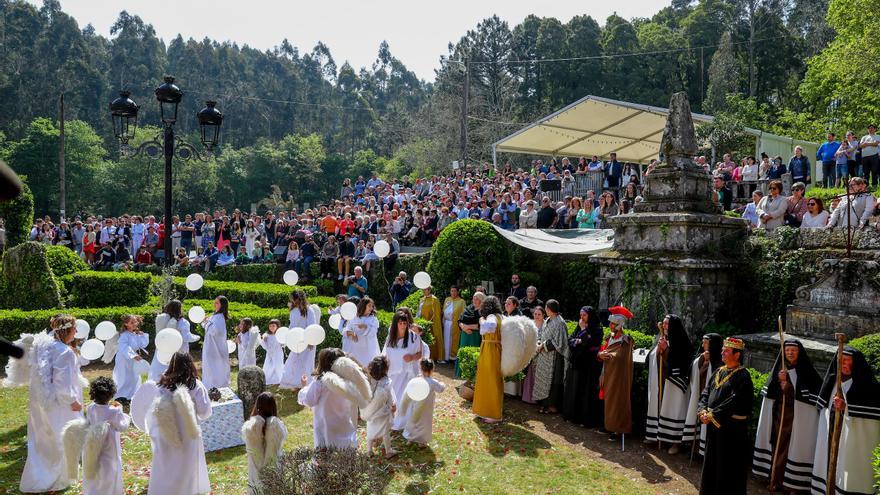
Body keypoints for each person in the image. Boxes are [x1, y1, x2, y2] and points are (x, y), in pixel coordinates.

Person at [19, 315, 84, 493]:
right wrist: (73, 401)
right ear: (67, 330)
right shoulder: (65, 352)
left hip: (42, 402)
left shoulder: (44, 347)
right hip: (60, 403)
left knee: (44, 438)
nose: (76, 332)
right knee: (62, 437)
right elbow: (63, 382)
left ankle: (40, 474)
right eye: (75, 328)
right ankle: (57, 477)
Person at [752, 339, 821, 493]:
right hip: (778, 416)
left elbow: (808, 398)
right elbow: (771, 394)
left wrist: (788, 386)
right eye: (787, 350)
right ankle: (774, 479)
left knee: (791, 448)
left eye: (793, 350)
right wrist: (779, 382)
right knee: (777, 445)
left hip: (796, 419)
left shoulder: (807, 371)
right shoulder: (780, 369)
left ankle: (792, 484)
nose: (790, 353)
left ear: (799, 352)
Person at [810, 346, 879, 495]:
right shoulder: (832, 383)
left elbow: (870, 418)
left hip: (852, 441)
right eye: (841, 361)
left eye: (848, 361)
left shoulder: (868, 387)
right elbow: (824, 410)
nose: (844, 364)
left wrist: (846, 407)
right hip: (831, 435)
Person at [146, 352, 212, 495]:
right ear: (190, 365)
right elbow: (204, 412)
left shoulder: (163, 385)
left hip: (167, 431)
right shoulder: (196, 385)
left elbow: (156, 408)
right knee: (187, 466)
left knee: (168, 463)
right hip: (188, 432)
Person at [697, 337, 754, 495]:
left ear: (737, 355)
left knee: (728, 468)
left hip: (732, 432)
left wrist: (712, 414)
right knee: (711, 465)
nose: (722, 352)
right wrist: (702, 410)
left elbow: (734, 401)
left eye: (726, 350)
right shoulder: (718, 371)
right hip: (715, 429)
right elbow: (706, 392)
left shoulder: (743, 377)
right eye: (722, 349)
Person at [62, 376, 130, 495]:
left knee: (93, 469)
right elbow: (122, 426)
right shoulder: (114, 411)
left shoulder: (90, 408)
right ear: (111, 394)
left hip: (93, 444)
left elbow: (90, 421)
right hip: (109, 448)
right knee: (109, 471)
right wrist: (121, 410)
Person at [297, 348, 371, 449]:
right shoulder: (350, 381)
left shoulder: (320, 382)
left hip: (327, 426)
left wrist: (304, 387)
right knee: (346, 449)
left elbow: (309, 399)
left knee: (327, 450)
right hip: (346, 424)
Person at [644, 315, 694, 454]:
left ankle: (675, 443)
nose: (664, 326)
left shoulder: (682, 342)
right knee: (658, 407)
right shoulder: (661, 338)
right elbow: (650, 358)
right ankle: (655, 436)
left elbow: (682, 363)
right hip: (660, 382)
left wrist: (666, 350)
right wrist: (658, 350)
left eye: (667, 324)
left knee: (674, 410)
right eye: (664, 324)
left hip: (675, 383)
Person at [383, 310, 425, 430]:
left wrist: (412, 357)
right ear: (395, 324)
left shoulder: (413, 337)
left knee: (405, 398)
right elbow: (385, 353)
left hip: (408, 374)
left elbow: (420, 353)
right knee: (393, 397)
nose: (402, 326)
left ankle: (404, 422)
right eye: (400, 323)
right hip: (393, 373)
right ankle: (392, 420)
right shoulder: (390, 337)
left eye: (405, 323)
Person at [683, 333, 723, 456]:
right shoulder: (701, 357)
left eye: (705, 342)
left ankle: (704, 451)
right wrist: (702, 360)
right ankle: (694, 447)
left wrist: (708, 362)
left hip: (710, 400)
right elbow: (692, 371)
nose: (703, 345)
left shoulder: (720, 363)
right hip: (699, 396)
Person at [599, 306, 634, 440]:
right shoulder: (609, 337)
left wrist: (608, 356)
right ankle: (609, 425)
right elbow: (603, 351)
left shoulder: (626, 340)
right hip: (607, 373)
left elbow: (621, 358)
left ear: (619, 325)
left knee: (618, 401)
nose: (610, 325)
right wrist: (600, 354)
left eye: (613, 323)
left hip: (619, 377)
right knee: (608, 400)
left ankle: (618, 430)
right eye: (611, 323)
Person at [241, 392, 287, 495]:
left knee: (256, 487)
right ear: (273, 406)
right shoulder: (278, 427)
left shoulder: (249, 428)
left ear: (257, 405)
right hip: (274, 470)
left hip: (255, 472)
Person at [472, 295, 504, 423]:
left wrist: (481, 321)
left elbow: (487, 328)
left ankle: (493, 414)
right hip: (494, 348)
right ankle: (484, 410)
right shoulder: (500, 316)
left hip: (490, 349)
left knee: (491, 380)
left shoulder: (491, 317)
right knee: (488, 379)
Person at [533, 300, 568, 414]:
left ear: (550, 309)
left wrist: (544, 345)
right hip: (544, 356)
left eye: (546, 308)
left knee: (553, 380)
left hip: (554, 357)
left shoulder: (560, 322)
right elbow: (542, 335)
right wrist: (539, 343)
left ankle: (551, 405)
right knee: (543, 379)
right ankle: (543, 404)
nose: (546, 310)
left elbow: (561, 342)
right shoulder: (548, 320)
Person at [401, 359, 446, 445]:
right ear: (432, 370)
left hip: (415, 405)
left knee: (413, 420)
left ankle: (410, 439)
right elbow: (441, 389)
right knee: (424, 422)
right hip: (426, 407)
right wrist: (443, 384)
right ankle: (421, 441)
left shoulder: (416, 380)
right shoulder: (433, 382)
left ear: (421, 369)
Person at [149, 300, 196, 382]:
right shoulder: (183, 322)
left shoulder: (161, 319)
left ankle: (156, 381)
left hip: (161, 348)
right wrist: (196, 337)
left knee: (159, 366)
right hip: (178, 349)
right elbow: (186, 337)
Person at [281, 290, 319, 389]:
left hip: (307, 340)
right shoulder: (293, 310)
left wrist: (310, 340)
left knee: (306, 361)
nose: (291, 300)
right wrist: (288, 337)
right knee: (295, 360)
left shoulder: (309, 310)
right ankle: (295, 381)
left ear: (298, 298)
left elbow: (312, 326)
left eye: (292, 298)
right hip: (296, 340)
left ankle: (305, 382)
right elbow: (291, 325)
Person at [362, 356, 397, 458]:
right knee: (385, 432)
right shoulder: (386, 382)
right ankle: (388, 451)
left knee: (370, 429)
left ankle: (369, 451)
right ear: (385, 369)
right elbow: (390, 397)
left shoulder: (369, 380)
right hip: (382, 411)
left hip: (370, 411)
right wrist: (392, 406)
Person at [111, 314, 148, 403]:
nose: (135, 324)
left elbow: (142, 345)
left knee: (133, 376)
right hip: (124, 358)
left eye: (135, 322)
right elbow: (124, 346)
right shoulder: (124, 335)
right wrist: (133, 355)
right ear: (126, 324)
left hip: (132, 359)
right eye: (132, 322)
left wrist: (142, 336)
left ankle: (131, 395)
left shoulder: (136, 334)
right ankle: (120, 395)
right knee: (124, 376)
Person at [201, 296, 231, 389]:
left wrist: (205, 322)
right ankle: (209, 385)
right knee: (209, 367)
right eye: (215, 302)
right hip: (210, 345)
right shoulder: (215, 316)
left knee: (214, 367)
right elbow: (208, 326)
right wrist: (204, 321)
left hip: (215, 348)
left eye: (217, 303)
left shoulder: (219, 317)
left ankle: (214, 386)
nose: (214, 304)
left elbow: (215, 331)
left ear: (222, 305)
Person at [455, 291, 485, 378]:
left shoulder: (483, 311)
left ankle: (472, 376)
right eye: (473, 298)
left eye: (477, 299)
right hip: (465, 336)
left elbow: (480, 325)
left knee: (473, 356)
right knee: (463, 354)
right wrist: (463, 327)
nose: (474, 301)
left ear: (481, 300)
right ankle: (461, 374)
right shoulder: (468, 308)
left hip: (475, 336)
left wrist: (467, 326)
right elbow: (460, 320)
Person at [521, 306, 546, 405]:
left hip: (542, 352)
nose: (537, 316)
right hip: (531, 351)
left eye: (539, 314)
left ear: (543, 315)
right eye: (535, 314)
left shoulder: (546, 325)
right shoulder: (530, 324)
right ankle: (528, 397)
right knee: (529, 374)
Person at [347, 297, 381, 367]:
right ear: (363, 306)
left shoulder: (373, 319)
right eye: (369, 306)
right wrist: (352, 333)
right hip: (356, 348)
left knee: (369, 367)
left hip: (369, 349)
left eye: (372, 306)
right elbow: (346, 330)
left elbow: (374, 332)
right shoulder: (354, 318)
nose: (371, 308)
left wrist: (366, 327)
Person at [416, 286, 444, 362]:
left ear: (429, 290)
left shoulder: (434, 300)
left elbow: (437, 314)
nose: (423, 291)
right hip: (421, 323)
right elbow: (419, 311)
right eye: (423, 289)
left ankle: (436, 357)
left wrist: (430, 323)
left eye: (425, 289)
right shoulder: (422, 299)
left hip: (431, 324)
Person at [442, 286, 466, 363]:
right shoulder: (447, 299)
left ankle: (453, 357)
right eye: (452, 291)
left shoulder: (461, 301)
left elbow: (463, 313)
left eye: (455, 291)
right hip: (447, 323)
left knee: (454, 340)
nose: (453, 293)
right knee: (446, 339)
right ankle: (446, 356)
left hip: (455, 323)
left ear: (457, 292)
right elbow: (443, 311)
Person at [260, 319, 285, 386]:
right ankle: (268, 378)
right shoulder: (266, 335)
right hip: (270, 354)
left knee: (278, 365)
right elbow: (265, 346)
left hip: (278, 353)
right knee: (268, 365)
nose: (271, 327)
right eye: (270, 326)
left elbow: (284, 345)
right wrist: (264, 340)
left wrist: (282, 342)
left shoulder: (280, 335)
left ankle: (279, 378)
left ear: (277, 326)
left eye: (273, 326)